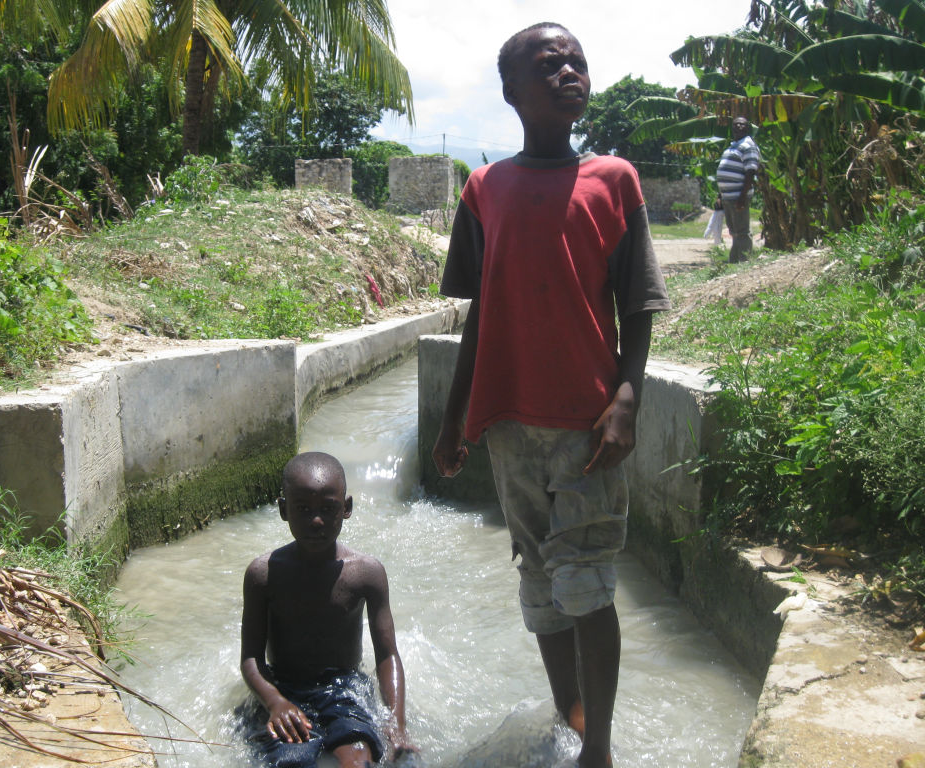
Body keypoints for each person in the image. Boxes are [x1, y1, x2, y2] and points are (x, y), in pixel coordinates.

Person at [431, 22, 670, 768]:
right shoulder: (484, 189)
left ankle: (596, 750)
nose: (569, 71)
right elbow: (481, 315)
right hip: (507, 426)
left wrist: (626, 396)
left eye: (577, 61)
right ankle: (569, 720)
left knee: (590, 586)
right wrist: (453, 420)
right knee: (541, 587)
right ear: (512, 93)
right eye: (549, 64)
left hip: (587, 423)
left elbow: (637, 302)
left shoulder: (615, 181)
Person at [240, 452, 416, 768]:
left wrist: (396, 723)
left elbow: (387, 655)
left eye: (328, 509)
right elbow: (251, 658)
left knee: (360, 758)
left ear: (346, 508)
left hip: (344, 686)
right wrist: (275, 702)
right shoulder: (264, 574)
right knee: (290, 761)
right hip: (285, 687)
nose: (316, 520)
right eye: (303, 509)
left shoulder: (366, 573)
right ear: (283, 509)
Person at [715, 116, 761, 263]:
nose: (739, 126)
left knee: (742, 231)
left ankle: (744, 261)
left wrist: (742, 197)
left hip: (738, 195)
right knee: (734, 231)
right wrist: (720, 195)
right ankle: (734, 262)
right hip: (728, 196)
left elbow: (750, 172)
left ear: (747, 128)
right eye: (736, 124)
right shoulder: (733, 146)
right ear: (732, 127)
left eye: (742, 124)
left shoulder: (748, 145)